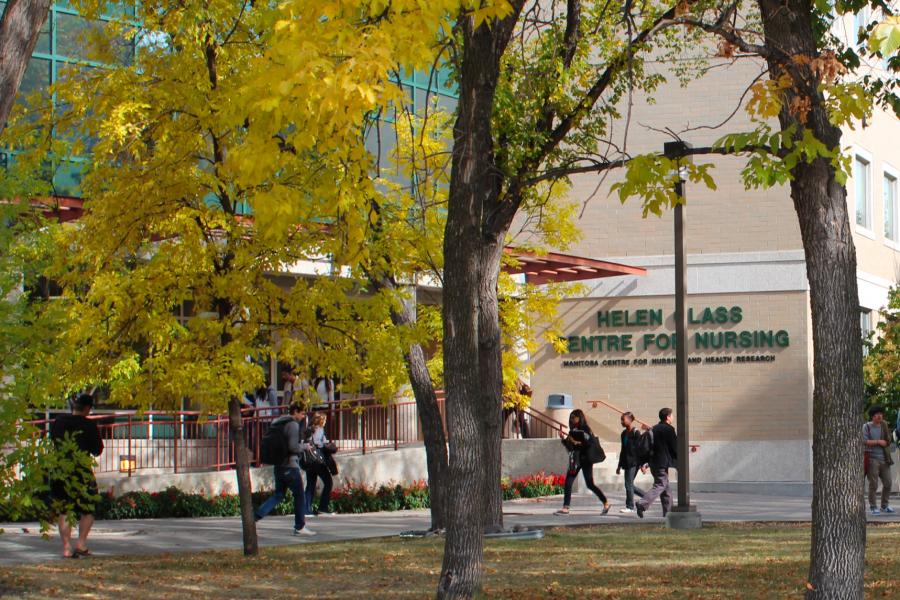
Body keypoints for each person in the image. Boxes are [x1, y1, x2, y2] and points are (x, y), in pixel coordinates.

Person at [49, 393, 104, 558]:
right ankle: (81, 543)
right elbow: (97, 450)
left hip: (61, 469)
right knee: (88, 508)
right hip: (81, 470)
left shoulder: (58, 422)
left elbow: (54, 440)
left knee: (64, 510)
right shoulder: (89, 425)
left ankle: (66, 547)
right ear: (87, 408)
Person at [254, 403, 316, 536]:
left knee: (279, 495)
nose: (303, 416)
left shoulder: (278, 422)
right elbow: (293, 447)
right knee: (299, 495)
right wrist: (304, 447)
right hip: (290, 466)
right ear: (295, 411)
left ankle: (256, 516)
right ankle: (300, 526)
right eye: (302, 413)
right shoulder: (293, 425)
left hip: (279, 465)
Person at [554, 409, 611, 515]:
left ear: (579, 418)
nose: (571, 419)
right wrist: (564, 439)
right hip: (576, 460)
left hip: (585, 459)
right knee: (569, 482)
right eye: (570, 417)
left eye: (573, 417)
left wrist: (576, 438)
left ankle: (606, 502)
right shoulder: (573, 431)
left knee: (590, 484)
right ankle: (566, 507)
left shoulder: (584, 429)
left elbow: (590, 442)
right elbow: (570, 447)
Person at [636, 407, 678, 519]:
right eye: (672, 415)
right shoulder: (669, 429)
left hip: (653, 462)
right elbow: (675, 447)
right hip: (662, 463)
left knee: (666, 488)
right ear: (668, 417)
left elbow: (648, 447)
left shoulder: (653, 429)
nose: (673, 417)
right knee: (660, 485)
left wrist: (645, 463)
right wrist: (679, 461)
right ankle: (642, 503)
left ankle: (668, 514)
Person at [864, 405, 895, 515]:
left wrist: (887, 441)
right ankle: (873, 507)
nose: (879, 416)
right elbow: (864, 441)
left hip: (885, 459)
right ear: (872, 416)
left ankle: (884, 506)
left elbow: (888, 439)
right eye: (877, 414)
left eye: (881, 414)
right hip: (872, 459)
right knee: (873, 485)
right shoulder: (867, 427)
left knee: (888, 483)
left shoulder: (884, 425)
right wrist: (878, 442)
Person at [616, 411, 647, 514]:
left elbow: (641, 449)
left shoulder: (636, 432)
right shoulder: (623, 434)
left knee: (628, 484)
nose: (621, 421)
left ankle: (630, 506)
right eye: (621, 419)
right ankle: (647, 497)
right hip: (626, 462)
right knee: (629, 485)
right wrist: (619, 465)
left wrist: (643, 464)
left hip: (634, 462)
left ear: (630, 420)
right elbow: (623, 450)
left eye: (623, 419)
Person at [304, 413, 335, 516]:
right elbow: (321, 444)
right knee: (328, 481)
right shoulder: (319, 429)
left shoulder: (309, 429)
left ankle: (306, 509)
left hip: (309, 460)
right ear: (321, 421)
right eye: (324, 420)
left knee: (310, 485)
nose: (325, 422)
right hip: (318, 461)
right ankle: (323, 507)